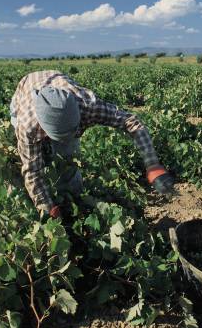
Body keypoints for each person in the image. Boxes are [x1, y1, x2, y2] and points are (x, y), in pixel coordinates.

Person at [10, 70, 174, 219]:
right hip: (24, 92)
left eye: (72, 132)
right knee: (35, 164)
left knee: (67, 163)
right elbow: (32, 172)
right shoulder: (27, 126)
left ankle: (74, 201)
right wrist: (48, 209)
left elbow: (131, 121)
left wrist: (152, 164)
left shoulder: (87, 104)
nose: (68, 139)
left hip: (56, 88)